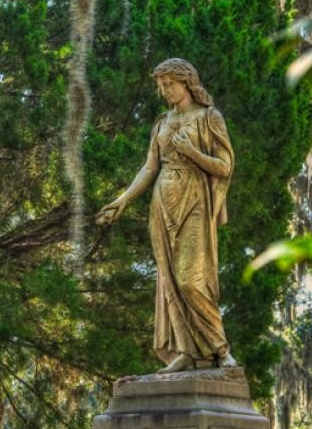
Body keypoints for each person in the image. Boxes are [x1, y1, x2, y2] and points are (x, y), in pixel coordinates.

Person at [97, 58, 237, 373]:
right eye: (161, 87)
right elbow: (150, 167)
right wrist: (122, 200)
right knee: (170, 282)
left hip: (195, 201)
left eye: (169, 85)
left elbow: (225, 166)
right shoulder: (161, 123)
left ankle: (220, 348)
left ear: (186, 82)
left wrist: (193, 153)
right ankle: (186, 351)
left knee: (190, 280)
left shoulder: (208, 118)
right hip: (162, 203)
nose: (165, 92)